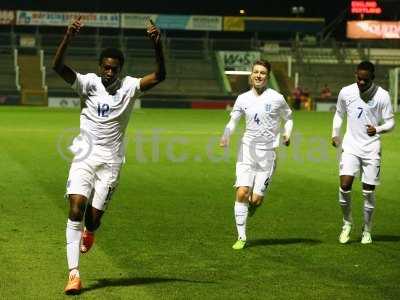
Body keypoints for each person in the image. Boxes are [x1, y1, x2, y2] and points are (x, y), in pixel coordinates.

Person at [53, 16, 166, 294]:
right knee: (75, 208)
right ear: (99, 67)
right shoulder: (88, 83)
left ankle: (90, 231)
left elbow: (160, 76)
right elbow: (57, 67)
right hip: (84, 156)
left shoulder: (130, 86)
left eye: (114, 69)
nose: (109, 73)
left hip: (111, 162)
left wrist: (157, 46)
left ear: (120, 69)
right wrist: (68, 37)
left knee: (92, 219)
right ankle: (74, 274)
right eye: (105, 68)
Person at [220, 60, 293, 250]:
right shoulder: (243, 98)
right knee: (242, 191)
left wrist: (287, 133)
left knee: (256, 199)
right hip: (247, 152)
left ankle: (251, 206)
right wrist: (226, 135)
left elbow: (289, 118)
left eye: (262, 73)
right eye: (255, 72)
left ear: (267, 77)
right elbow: (233, 121)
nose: (258, 75)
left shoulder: (277, 98)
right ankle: (241, 237)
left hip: (268, 155)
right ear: (251, 75)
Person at [331, 61, 395, 245]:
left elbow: (391, 122)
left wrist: (378, 128)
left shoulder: (382, 96)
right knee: (345, 185)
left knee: (368, 191)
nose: (361, 82)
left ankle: (367, 229)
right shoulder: (346, 92)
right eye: (358, 78)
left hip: (371, 148)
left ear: (372, 78)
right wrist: (335, 133)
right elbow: (339, 113)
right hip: (351, 146)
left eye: (365, 80)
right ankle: (347, 223)